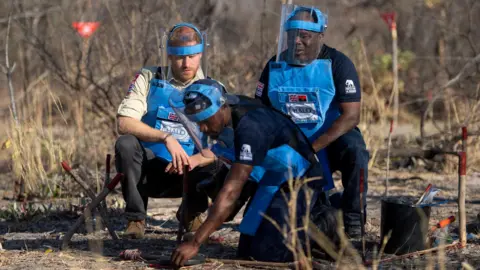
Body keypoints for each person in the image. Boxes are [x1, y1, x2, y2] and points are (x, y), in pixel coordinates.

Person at [168, 78, 328, 266]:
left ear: (222, 107)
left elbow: (232, 189)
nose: (203, 128)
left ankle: (325, 224)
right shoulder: (228, 115)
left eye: (205, 121)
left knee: (271, 254)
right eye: (198, 123)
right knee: (247, 250)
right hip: (273, 176)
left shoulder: (250, 127)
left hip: (302, 176)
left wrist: (196, 242)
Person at [114, 22, 245, 239]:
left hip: (191, 172)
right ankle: (136, 218)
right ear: (168, 55)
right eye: (178, 57)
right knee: (125, 144)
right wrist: (166, 137)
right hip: (151, 169)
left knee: (218, 160)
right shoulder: (149, 77)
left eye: (192, 56)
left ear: (201, 54)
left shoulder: (213, 87)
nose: (186, 63)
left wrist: (195, 159)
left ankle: (191, 213)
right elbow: (124, 123)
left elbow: (226, 142)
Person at [254, 5, 369, 238]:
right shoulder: (274, 64)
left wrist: (311, 149)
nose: (297, 42)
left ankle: (354, 216)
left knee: (356, 150)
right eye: (292, 35)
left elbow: (351, 116)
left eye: (304, 36)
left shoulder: (338, 63)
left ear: (320, 36)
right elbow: (260, 110)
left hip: (328, 138)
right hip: (290, 143)